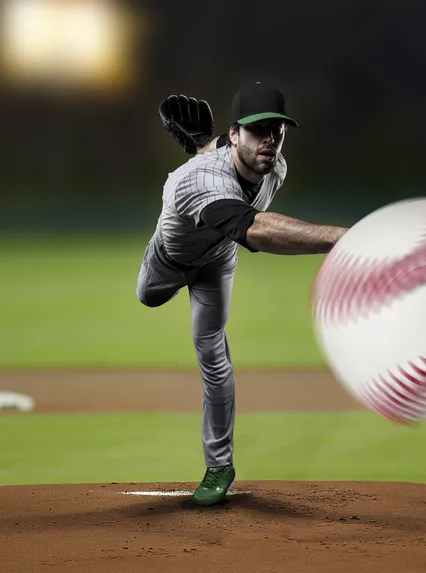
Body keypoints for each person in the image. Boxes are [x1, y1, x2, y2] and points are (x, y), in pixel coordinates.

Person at [136, 82, 348, 506]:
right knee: (149, 296)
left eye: (276, 129)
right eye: (257, 130)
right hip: (170, 257)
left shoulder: (275, 165)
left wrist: (204, 145)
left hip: (216, 260)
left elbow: (231, 177)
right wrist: (347, 238)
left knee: (212, 352)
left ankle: (219, 465)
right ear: (235, 133)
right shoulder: (196, 180)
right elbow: (255, 229)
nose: (269, 139)